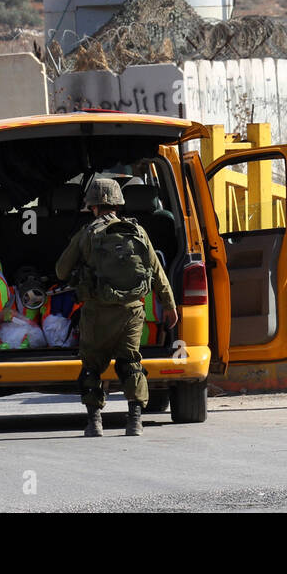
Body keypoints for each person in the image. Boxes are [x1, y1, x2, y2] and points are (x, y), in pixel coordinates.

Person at [56, 177, 177, 437]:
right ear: (118, 204)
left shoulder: (87, 233)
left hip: (97, 311)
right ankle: (134, 421)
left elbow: (61, 270)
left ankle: (95, 422)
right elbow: (156, 271)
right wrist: (169, 305)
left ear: (92, 206)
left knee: (92, 366)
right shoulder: (139, 231)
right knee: (131, 362)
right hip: (132, 310)